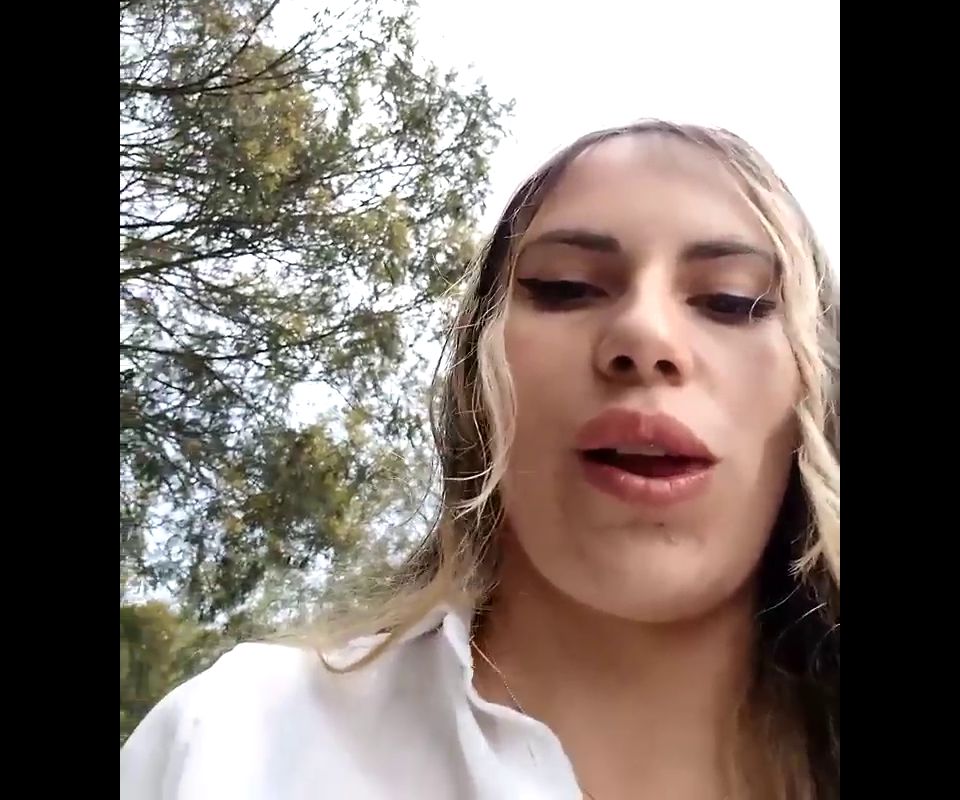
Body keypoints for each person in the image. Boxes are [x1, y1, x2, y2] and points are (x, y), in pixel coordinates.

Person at [120, 120, 840, 799]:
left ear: (816, 391)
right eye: (565, 287)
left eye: (732, 300)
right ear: (475, 380)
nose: (645, 335)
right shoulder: (235, 748)